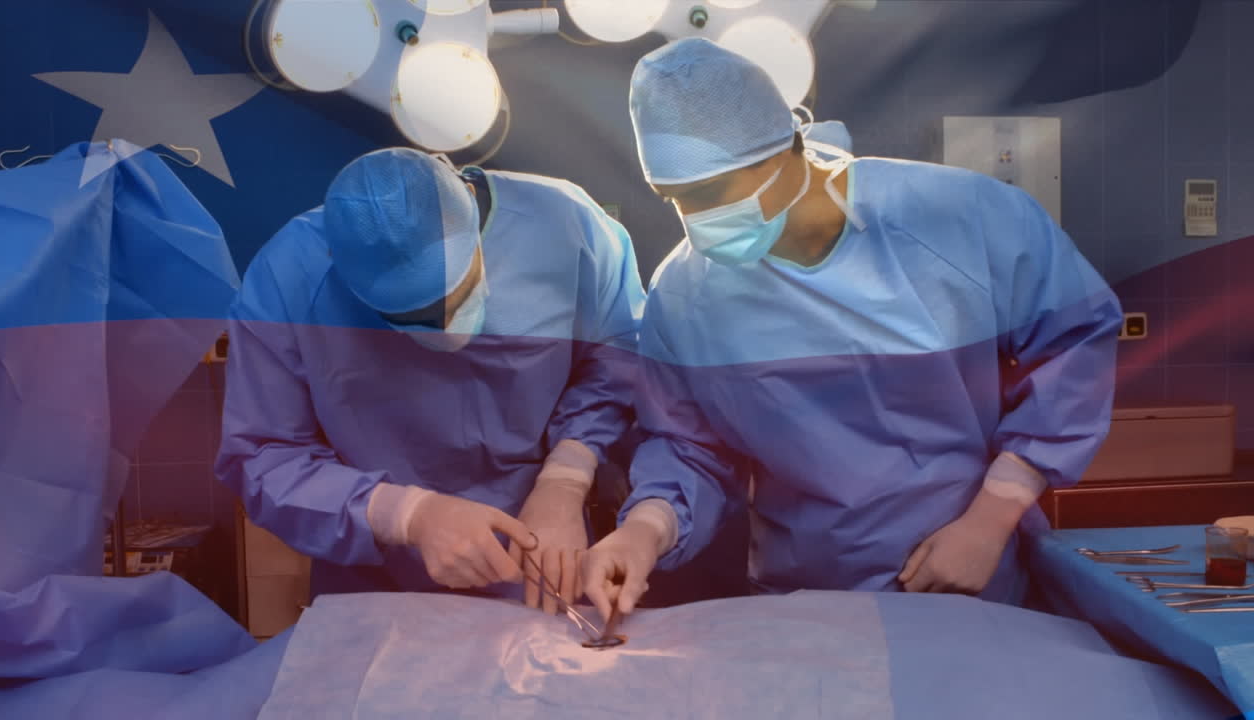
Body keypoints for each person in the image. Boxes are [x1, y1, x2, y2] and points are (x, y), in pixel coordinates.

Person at [581, 38, 1122, 620]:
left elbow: (1076, 341)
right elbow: (689, 447)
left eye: (711, 193)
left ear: (784, 148)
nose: (696, 222)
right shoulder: (686, 294)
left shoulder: (957, 219)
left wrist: (992, 518)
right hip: (807, 593)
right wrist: (645, 528)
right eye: (675, 199)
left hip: (966, 579)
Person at [217, 148, 645, 613]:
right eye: (409, 319)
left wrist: (565, 481)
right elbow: (265, 457)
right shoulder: (290, 276)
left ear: (478, 236)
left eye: (455, 296)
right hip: (378, 586)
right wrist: (406, 515)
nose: (443, 328)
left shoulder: (567, 228)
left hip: (539, 559)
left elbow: (613, 368)